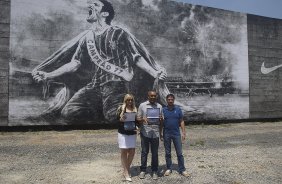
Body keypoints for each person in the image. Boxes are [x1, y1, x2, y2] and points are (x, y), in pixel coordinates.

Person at [31, 0, 168, 123]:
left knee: (113, 117)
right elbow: (75, 63)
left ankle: (140, 116)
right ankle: (105, 111)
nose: (90, 4)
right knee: (70, 112)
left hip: (115, 83)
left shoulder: (119, 33)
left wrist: (155, 72)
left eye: (96, 4)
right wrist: (48, 75)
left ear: (105, 14)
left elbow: (136, 57)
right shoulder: (87, 38)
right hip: (94, 85)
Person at [160, 93, 190, 177]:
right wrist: (160, 133)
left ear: (173, 100)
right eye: (168, 99)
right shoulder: (163, 110)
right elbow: (161, 122)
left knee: (179, 153)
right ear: (166, 100)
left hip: (176, 134)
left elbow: (181, 121)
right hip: (167, 134)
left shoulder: (178, 109)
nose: (170, 101)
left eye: (171, 99)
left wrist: (183, 132)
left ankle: (182, 169)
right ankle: (169, 168)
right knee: (167, 152)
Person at [137, 91, 163, 180]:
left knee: (155, 153)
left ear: (156, 96)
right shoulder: (142, 105)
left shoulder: (159, 106)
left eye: (154, 96)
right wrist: (142, 119)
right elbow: (138, 118)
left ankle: (154, 170)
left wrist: (161, 119)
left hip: (155, 133)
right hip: (145, 132)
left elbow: (161, 121)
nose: (153, 97)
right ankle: (143, 170)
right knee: (144, 152)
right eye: (151, 96)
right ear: (148, 96)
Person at [117, 94, 138, 182]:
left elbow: (136, 121)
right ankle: (126, 172)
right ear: (125, 100)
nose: (130, 101)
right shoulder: (121, 108)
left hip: (132, 133)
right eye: (128, 100)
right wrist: (121, 119)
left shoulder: (135, 109)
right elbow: (117, 119)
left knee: (132, 152)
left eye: (131, 100)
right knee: (124, 151)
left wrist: (137, 127)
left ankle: (127, 168)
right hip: (123, 133)